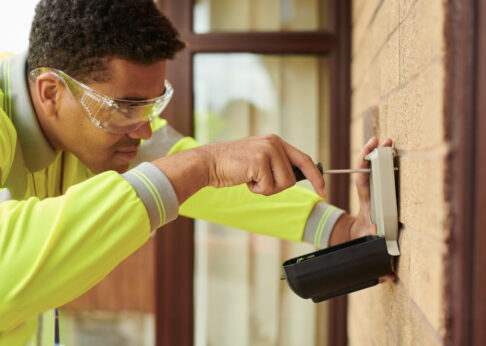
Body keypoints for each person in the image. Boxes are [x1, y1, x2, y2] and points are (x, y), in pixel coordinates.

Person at [0, 0, 392, 344]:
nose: (145, 130)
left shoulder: (92, 127)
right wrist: (203, 166)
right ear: (51, 92)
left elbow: (198, 177)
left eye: (152, 106)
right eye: (125, 108)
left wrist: (343, 231)